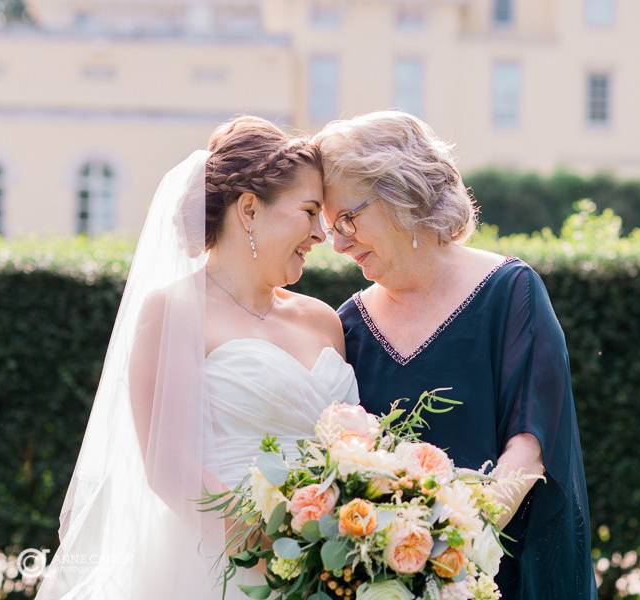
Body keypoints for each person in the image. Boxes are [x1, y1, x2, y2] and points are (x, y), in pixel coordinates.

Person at [36, 116, 360, 599]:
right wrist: (286, 558)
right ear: (249, 209)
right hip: (224, 572)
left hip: (336, 569)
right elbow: (171, 470)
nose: (321, 235)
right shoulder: (172, 312)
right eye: (310, 211)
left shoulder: (323, 321)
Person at [315, 111, 597, 599]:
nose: (338, 244)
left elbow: (529, 451)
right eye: (328, 226)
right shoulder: (349, 325)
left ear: (398, 194)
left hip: (499, 578)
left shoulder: (511, 292)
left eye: (346, 219)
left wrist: (446, 555)